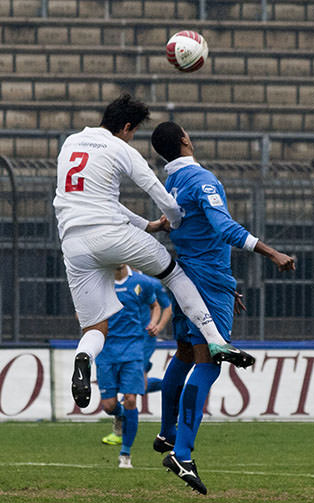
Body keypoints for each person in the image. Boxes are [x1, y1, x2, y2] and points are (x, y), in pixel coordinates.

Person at [53, 94, 252, 411]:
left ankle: (83, 356)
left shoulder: (70, 143)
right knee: (174, 274)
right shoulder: (120, 148)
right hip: (111, 233)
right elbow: (158, 191)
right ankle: (215, 338)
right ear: (127, 127)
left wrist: (147, 225)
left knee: (95, 328)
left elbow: (101, 200)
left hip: (74, 242)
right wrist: (172, 220)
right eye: (132, 132)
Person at [151, 121, 296, 494]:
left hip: (182, 277)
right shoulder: (203, 181)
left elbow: (181, 226)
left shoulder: (171, 183)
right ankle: (181, 453)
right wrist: (272, 252)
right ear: (185, 140)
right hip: (208, 278)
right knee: (208, 363)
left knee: (183, 354)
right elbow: (225, 228)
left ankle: (168, 434)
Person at [96, 264, 159, 468]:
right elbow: (82, 312)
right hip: (106, 350)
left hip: (133, 348)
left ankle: (125, 454)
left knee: (131, 399)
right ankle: (120, 416)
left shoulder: (142, 282)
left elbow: (155, 305)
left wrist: (154, 323)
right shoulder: (99, 283)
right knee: (109, 406)